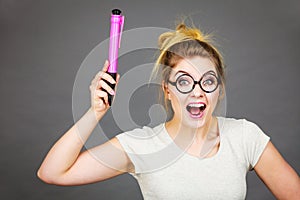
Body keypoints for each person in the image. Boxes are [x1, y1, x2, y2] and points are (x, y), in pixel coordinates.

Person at [37, 22, 300, 199]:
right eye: (184, 82)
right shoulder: (143, 145)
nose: (197, 91)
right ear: (167, 90)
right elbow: (53, 172)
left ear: (219, 89)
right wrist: (96, 111)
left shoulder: (245, 136)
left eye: (208, 81)